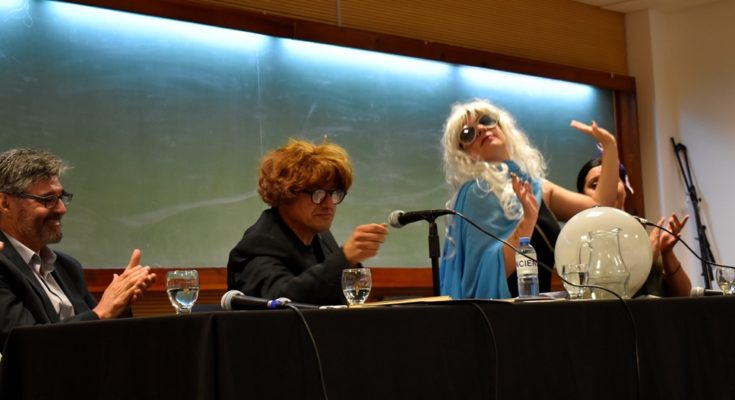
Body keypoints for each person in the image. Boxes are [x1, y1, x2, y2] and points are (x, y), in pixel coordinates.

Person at [440, 99, 621, 299]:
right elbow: (483, 276)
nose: (481, 129)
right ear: (464, 153)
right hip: (502, 314)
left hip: (542, 310)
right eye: (468, 133)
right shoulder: (476, 192)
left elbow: (599, 208)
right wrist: (527, 222)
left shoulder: (536, 186)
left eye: (486, 120)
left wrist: (609, 145)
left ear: (502, 127)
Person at [0, 148, 157, 347]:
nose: (62, 209)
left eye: (61, 197)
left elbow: (100, 334)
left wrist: (120, 306)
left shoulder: (67, 267)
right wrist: (101, 312)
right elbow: (22, 344)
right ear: (5, 203)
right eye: (48, 199)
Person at [227, 139, 389, 305]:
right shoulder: (258, 245)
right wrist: (344, 258)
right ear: (286, 193)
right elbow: (283, 301)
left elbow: (337, 296)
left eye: (334, 193)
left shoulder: (321, 235)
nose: (329, 204)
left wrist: (352, 261)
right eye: (318, 193)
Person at [577, 158, 692, 296]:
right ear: (582, 197)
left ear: (625, 190)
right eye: (595, 185)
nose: (608, 189)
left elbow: (684, 294)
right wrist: (646, 260)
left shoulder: (641, 234)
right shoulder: (580, 244)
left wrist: (667, 253)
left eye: (613, 181)